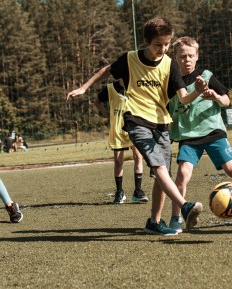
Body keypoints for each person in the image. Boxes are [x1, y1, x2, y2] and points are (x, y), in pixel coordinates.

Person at [67, 16, 207, 235]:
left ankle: (154, 222)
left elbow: (183, 97)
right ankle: (185, 205)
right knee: (158, 167)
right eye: (158, 44)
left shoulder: (170, 65)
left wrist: (196, 92)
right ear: (146, 41)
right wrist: (84, 88)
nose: (163, 48)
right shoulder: (131, 59)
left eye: (167, 44)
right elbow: (107, 70)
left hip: (161, 122)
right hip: (136, 120)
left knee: (163, 176)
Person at [168, 37, 232, 233]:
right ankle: (176, 218)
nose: (187, 60)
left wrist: (215, 96)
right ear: (175, 57)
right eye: (182, 56)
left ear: (197, 56)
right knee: (182, 174)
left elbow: (226, 101)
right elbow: (171, 105)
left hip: (213, 131)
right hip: (189, 137)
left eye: (191, 55)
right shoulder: (173, 81)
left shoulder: (207, 76)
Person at [94, 80, 148, 204]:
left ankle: (138, 191)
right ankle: (119, 192)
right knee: (118, 161)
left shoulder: (136, 85)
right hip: (118, 130)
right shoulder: (110, 88)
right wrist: (107, 114)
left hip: (134, 127)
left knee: (138, 157)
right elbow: (97, 102)